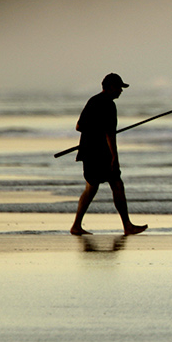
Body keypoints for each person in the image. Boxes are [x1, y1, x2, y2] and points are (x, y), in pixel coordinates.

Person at [70, 72, 146, 236]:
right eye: (119, 87)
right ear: (110, 87)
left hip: (88, 151)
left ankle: (76, 225)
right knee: (116, 185)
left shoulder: (93, 101)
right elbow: (110, 134)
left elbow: (79, 126)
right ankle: (127, 226)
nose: (121, 91)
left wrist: (95, 130)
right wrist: (115, 158)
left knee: (92, 188)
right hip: (101, 153)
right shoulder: (109, 105)